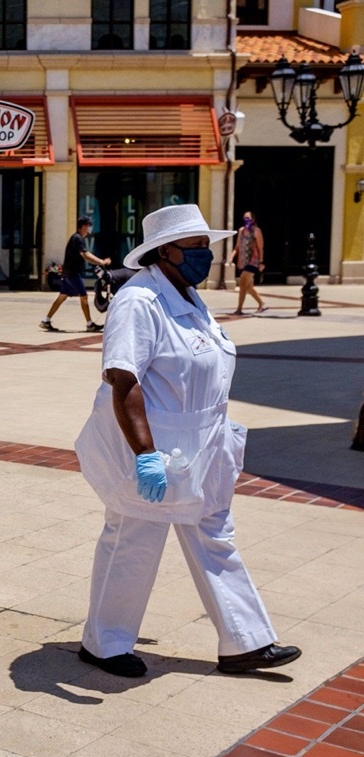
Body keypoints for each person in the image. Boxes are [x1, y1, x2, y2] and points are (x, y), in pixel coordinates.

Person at [74, 204, 301, 678]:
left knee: (215, 534)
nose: (206, 256)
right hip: (155, 447)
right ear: (164, 251)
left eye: (206, 247)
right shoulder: (140, 300)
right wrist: (145, 457)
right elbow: (124, 380)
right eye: (196, 248)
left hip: (201, 445)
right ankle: (105, 643)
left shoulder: (187, 295)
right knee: (135, 536)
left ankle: (245, 641)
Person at [41, 216, 109, 333]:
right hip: (72, 274)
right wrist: (101, 261)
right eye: (88, 225)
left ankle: (46, 320)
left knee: (61, 297)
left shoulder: (76, 238)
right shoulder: (77, 238)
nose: (89, 228)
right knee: (84, 297)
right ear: (83, 226)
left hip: (68, 273)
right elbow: (85, 254)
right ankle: (89, 324)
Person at [225, 211, 267, 315]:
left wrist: (261, 262)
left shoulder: (257, 231)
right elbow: (237, 247)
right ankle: (262, 304)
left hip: (253, 262)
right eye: (245, 218)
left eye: (248, 218)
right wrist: (231, 257)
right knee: (248, 286)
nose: (246, 220)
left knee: (242, 285)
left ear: (253, 219)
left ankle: (239, 309)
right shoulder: (241, 231)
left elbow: (261, 248)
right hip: (242, 262)